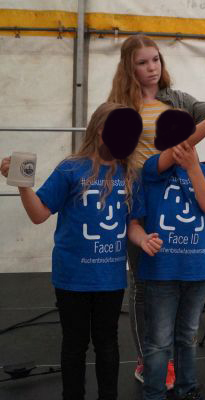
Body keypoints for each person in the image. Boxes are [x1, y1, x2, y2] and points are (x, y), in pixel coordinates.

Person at [107, 34, 205, 386]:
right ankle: (149, 359)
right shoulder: (118, 109)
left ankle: (168, 355)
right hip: (142, 203)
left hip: (181, 203)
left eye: (155, 59)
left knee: (180, 285)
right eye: (142, 62)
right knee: (143, 285)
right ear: (128, 67)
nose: (152, 68)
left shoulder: (179, 100)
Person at [0, 103, 162, 400]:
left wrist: (143, 240)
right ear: (100, 130)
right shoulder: (70, 169)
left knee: (107, 343)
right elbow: (38, 214)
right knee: (74, 344)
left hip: (110, 278)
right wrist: (22, 185)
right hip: (72, 276)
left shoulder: (130, 174)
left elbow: (133, 224)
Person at [138, 110, 205, 400]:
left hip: (196, 269)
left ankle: (187, 388)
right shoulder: (153, 168)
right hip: (161, 270)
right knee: (159, 341)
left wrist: (194, 168)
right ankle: (154, 393)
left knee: (187, 336)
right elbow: (176, 150)